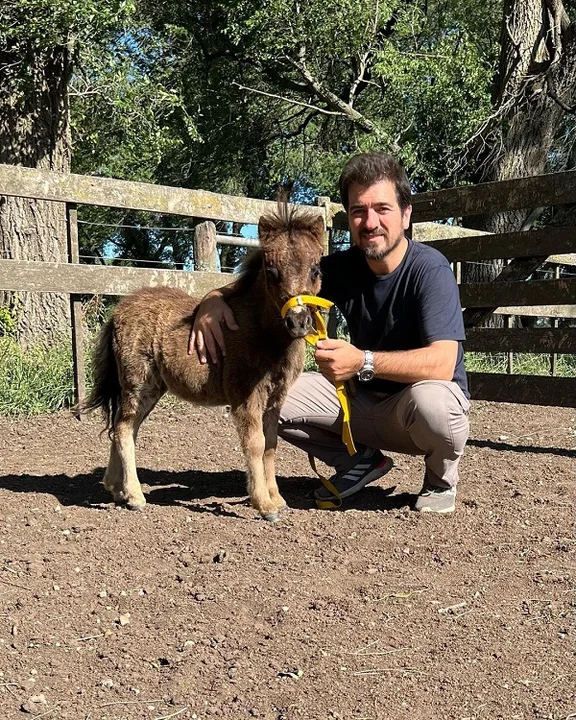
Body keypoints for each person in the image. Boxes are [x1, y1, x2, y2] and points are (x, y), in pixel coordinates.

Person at [189, 152, 470, 514]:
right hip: (359, 399)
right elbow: (280, 279)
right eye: (358, 211)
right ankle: (360, 460)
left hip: (412, 409)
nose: (370, 222)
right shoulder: (336, 268)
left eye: (382, 209)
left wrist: (362, 361)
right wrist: (212, 300)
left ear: (406, 214)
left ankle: (439, 481)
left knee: (435, 404)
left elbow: (444, 363)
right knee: (272, 398)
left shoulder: (430, 270)